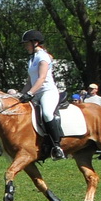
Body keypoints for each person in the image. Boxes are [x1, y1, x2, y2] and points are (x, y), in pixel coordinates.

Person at [20, 30, 66, 160]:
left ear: (35, 43)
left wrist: (29, 94)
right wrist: (20, 95)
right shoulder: (32, 59)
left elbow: (41, 78)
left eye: (27, 44)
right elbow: (30, 82)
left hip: (47, 92)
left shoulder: (43, 57)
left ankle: (57, 146)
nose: (25, 46)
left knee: (46, 113)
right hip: (35, 92)